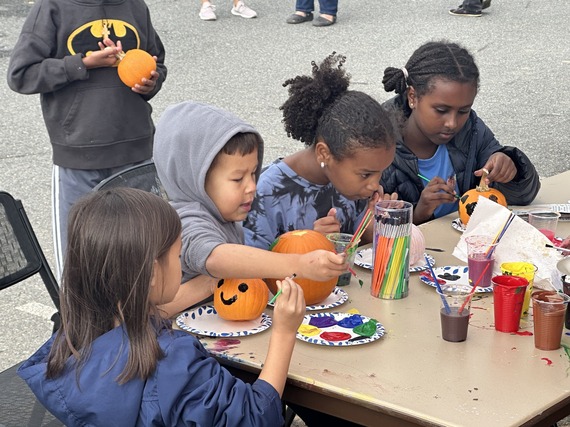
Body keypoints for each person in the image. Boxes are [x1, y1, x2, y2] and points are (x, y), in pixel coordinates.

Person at [17, 188, 305, 426]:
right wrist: (284, 332)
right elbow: (256, 418)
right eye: (178, 256)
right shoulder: (176, 363)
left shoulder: (69, 348)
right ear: (153, 273)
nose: (180, 264)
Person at [7, 0, 167, 278]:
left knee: (143, 258)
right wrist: (81, 64)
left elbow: (156, 61)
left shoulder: (135, 7)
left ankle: (138, 319)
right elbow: (21, 74)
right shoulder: (53, 7)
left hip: (136, 153)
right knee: (78, 264)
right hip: (78, 157)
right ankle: (79, 321)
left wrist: (151, 81)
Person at [153, 100, 347, 316]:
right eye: (237, 179)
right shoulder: (187, 219)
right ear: (196, 179)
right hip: (185, 340)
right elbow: (215, 257)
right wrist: (299, 263)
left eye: (253, 173)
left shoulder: (221, 214)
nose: (251, 186)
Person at [244, 53, 397, 251]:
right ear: (324, 153)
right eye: (366, 174)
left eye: (380, 173)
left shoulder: (353, 184)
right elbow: (249, 274)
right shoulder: (265, 193)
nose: (375, 185)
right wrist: (309, 244)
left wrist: (371, 227)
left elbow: (353, 251)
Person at [380, 40, 540, 225]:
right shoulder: (378, 143)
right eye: (441, 110)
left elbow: (521, 198)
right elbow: (367, 231)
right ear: (413, 97)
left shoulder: (471, 130)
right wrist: (418, 213)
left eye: (463, 111)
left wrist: (511, 170)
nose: (452, 123)